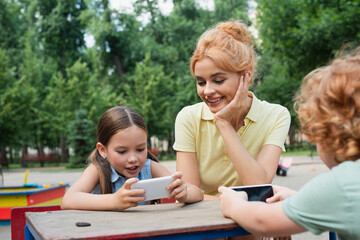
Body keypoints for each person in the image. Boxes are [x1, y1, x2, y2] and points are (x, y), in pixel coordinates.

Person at [218, 50, 360, 239]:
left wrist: (234, 204)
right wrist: (299, 199)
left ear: (332, 130)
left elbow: (263, 222)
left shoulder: (343, 184)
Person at [173, 20, 291, 199]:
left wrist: (223, 123)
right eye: (201, 82)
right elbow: (189, 193)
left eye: (218, 80)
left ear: (246, 76)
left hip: (253, 220)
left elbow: (259, 187)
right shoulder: (188, 118)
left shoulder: (276, 115)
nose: (207, 91)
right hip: (202, 219)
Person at [61, 106, 203, 210]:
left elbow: (197, 193)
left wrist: (184, 193)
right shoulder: (97, 170)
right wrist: (114, 201)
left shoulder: (150, 167)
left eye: (140, 149)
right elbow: (67, 200)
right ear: (103, 150)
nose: (133, 158)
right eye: (122, 151)